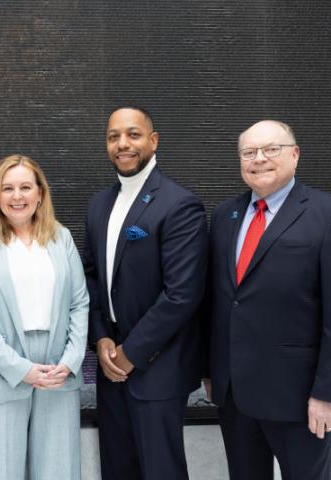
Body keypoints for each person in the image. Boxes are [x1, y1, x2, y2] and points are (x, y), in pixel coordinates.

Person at [203, 120, 331, 479]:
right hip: (235, 395)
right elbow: (220, 300)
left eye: (270, 149)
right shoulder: (225, 216)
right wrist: (211, 370)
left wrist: (329, 392)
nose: (259, 159)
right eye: (248, 152)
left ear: (295, 154)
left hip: (301, 398)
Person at [83, 106, 208, 480]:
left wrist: (131, 353)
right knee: (118, 469)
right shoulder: (98, 204)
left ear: (153, 141)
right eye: (114, 136)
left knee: (160, 471)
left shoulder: (179, 204)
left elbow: (182, 294)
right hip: (110, 362)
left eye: (133, 135)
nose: (123, 144)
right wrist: (102, 338)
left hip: (158, 364)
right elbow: (90, 278)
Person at [0, 154, 89, 480]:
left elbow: (80, 303)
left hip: (58, 373)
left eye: (25, 187)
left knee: (58, 473)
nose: (17, 196)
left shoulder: (62, 238)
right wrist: (21, 369)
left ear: (40, 193)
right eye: (8, 188)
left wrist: (71, 360)